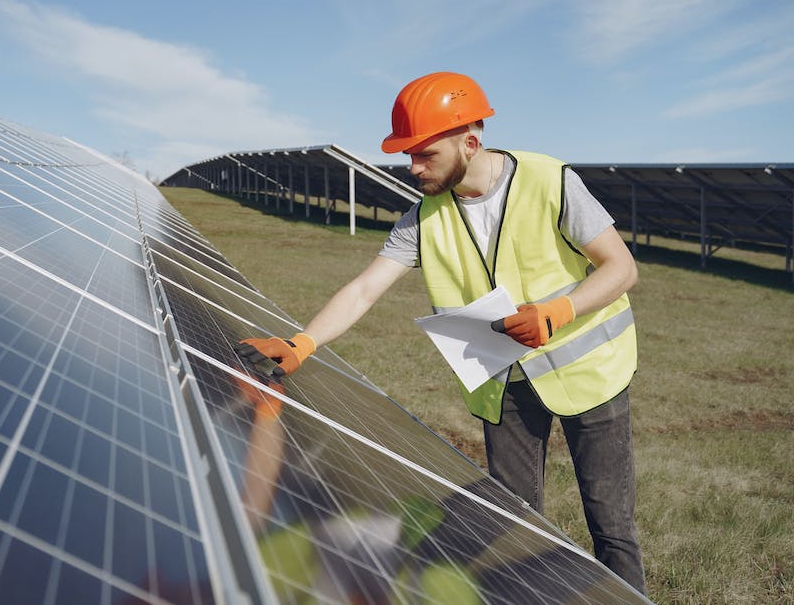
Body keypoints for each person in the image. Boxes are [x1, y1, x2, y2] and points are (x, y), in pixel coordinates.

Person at [233, 71, 646, 594]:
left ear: (469, 142)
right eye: (408, 155)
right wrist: (303, 342)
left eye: (424, 154)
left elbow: (621, 268)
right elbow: (365, 289)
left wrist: (557, 310)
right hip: (504, 383)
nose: (412, 167)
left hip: (591, 373)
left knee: (611, 525)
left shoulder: (549, 180)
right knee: (512, 520)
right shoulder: (422, 218)